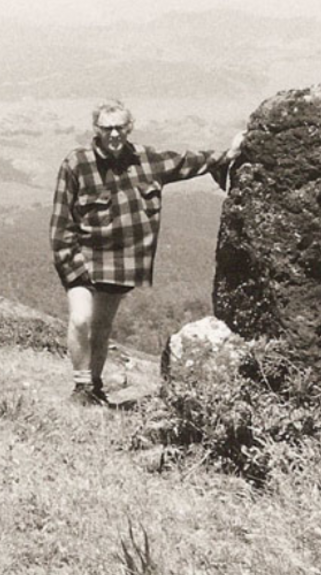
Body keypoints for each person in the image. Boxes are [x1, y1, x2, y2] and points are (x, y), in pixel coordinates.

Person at [49, 100, 244, 406]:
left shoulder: (146, 160)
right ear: (96, 130)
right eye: (106, 128)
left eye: (119, 128)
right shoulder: (76, 163)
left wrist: (229, 155)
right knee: (81, 319)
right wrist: (71, 266)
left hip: (121, 262)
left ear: (129, 127)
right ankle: (80, 385)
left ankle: (94, 388)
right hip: (82, 258)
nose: (113, 134)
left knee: (101, 327)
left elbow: (186, 162)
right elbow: (61, 222)